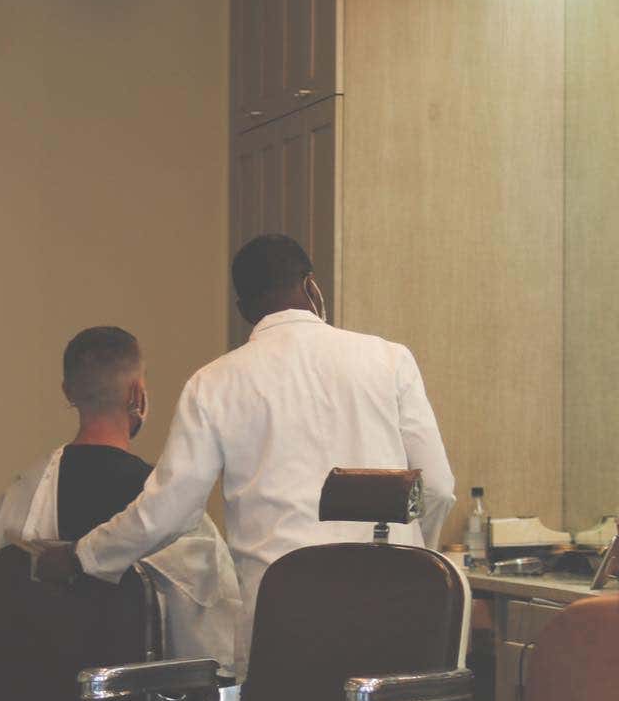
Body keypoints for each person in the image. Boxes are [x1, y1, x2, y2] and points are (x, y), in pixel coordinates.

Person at [40, 236, 455, 675]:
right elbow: (439, 490)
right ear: (312, 287)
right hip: (393, 609)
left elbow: (169, 511)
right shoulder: (390, 361)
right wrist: (408, 560)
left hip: (285, 619)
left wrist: (84, 556)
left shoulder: (214, 382)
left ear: (243, 312)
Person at [0, 325, 240, 680]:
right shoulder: (164, 504)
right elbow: (215, 636)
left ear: (68, 392)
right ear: (137, 394)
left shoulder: (21, 496)